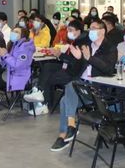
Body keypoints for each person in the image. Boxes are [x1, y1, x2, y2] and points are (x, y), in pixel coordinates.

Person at [50, 19, 117, 152]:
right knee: (68, 93)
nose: (90, 31)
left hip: (97, 89)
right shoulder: (87, 45)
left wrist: (89, 58)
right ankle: (67, 130)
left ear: (102, 31)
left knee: (68, 91)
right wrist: (76, 58)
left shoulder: (110, 48)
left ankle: (66, 132)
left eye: (93, 28)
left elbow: (108, 69)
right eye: (90, 28)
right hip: (82, 86)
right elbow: (77, 68)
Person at [26, 19, 89, 116]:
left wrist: (60, 55)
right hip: (68, 67)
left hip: (74, 73)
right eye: (68, 30)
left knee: (48, 77)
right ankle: (39, 91)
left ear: (78, 31)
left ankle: (43, 103)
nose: (68, 32)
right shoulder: (76, 41)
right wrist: (60, 54)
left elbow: (76, 63)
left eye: (71, 30)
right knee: (48, 66)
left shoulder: (82, 44)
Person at [0, 26, 35, 94]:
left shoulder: (25, 47)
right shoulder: (14, 44)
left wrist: (5, 55)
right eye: (13, 31)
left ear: (23, 35)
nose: (13, 33)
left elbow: (18, 65)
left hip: (20, 76)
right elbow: (5, 64)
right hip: (12, 72)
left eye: (16, 32)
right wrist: (2, 57)